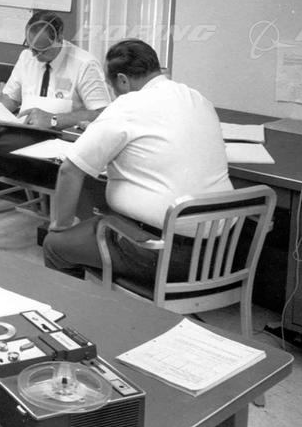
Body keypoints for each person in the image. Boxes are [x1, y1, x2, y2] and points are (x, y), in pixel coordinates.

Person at [42, 38, 234, 284]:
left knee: (56, 245)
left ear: (123, 80)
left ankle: (82, 306)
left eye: (112, 87)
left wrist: (61, 224)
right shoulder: (197, 98)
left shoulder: (128, 104)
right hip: (220, 252)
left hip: (161, 253)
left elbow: (69, 171)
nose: (114, 93)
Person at [0, 11, 111, 247]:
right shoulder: (26, 57)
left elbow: (103, 114)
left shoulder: (84, 64)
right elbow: (10, 97)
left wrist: (54, 120)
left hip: (58, 159)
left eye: (42, 50)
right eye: (31, 48)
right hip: (22, 147)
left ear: (59, 37)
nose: (36, 56)